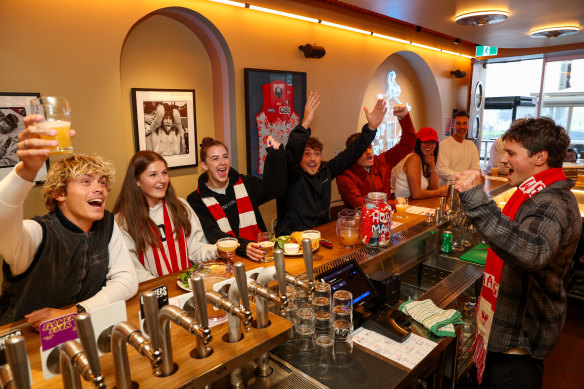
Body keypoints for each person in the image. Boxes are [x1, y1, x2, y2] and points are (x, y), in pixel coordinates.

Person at [454, 117, 581, 388]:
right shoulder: (534, 193)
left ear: (540, 157)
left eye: (511, 153)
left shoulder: (553, 202)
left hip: (520, 340)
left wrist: (477, 201)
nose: (503, 160)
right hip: (512, 331)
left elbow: (531, 252)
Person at [0, 115, 138, 328]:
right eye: (85, 181)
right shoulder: (37, 233)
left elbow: (126, 282)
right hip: (24, 344)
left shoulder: (107, 223)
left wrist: (74, 313)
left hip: (82, 329)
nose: (99, 188)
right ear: (58, 193)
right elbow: (3, 220)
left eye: (102, 182)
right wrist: (26, 170)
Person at [274, 92, 387, 236]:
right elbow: (292, 150)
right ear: (299, 158)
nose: (313, 159)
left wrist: (370, 129)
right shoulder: (291, 172)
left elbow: (350, 154)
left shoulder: (325, 170)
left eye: (316, 154)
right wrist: (305, 124)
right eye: (307, 154)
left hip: (322, 236)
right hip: (291, 240)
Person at [113, 150, 231, 282]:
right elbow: (133, 269)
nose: (162, 180)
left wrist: (217, 251)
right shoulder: (123, 221)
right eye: (153, 175)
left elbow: (195, 250)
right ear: (136, 181)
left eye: (164, 173)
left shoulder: (180, 206)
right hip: (152, 293)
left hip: (186, 286)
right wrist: (165, 287)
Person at [187, 135, 285, 262]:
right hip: (227, 263)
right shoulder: (196, 200)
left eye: (225, 156)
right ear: (204, 165)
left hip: (261, 255)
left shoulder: (246, 183)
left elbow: (276, 189)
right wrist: (244, 247)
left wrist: (275, 156)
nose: (222, 162)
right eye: (215, 159)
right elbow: (213, 234)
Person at [336, 104, 416, 208]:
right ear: (352, 154)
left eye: (369, 147)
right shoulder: (345, 174)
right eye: (362, 150)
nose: (368, 152)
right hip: (361, 221)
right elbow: (360, 204)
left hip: (387, 218)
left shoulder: (382, 161)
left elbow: (408, 144)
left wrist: (404, 118)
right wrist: (393, 204)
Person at [393, 127, 448, 199]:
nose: (429, 146)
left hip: (414, 205)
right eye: (425, 142)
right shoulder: (414, 158)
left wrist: (432, 166)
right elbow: (416, 195)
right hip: (404, 206)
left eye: (432, 142)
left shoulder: (422, 158)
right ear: (418, 143)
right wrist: (440, 192)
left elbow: (433, 189)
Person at [437, 111, 480, 184]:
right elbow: (442, 170)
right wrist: (463, 176)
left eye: (465, 123)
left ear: (468, 125)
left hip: (466, 188)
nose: (462, 127)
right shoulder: (444, 145)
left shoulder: (471, 146)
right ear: (453, 125)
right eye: (458, 123)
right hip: (447, 189)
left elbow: (475, 168)